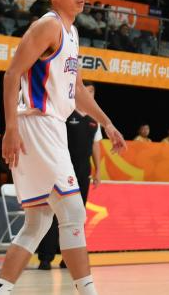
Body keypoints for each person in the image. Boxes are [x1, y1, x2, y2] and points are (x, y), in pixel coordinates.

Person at [0, 0, 126, 295]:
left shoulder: (72, 32)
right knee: (73, 212)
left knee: (38, 221)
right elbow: (11, 75)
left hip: (49, 125)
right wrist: (10, 128)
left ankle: (0, 291)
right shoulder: (48, 25)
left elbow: (77, 90)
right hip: (37, 123)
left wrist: (107, 123)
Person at [37, 84, 105, 270]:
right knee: (54, 212)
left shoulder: (95, 120)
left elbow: (95, 145)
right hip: (61, 169)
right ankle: (45, 257)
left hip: (83, 171)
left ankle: (68, 258)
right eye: (85, 91)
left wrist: (98, 170)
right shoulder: (64, 112)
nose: (88, 95)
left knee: (76, 214)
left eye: (91, 92)